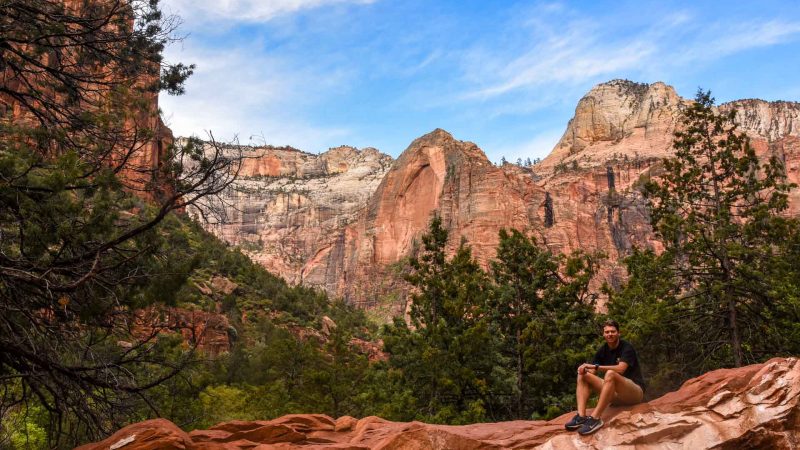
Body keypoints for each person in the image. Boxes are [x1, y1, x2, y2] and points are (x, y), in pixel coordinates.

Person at [564, 319, 646, 435]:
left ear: (618, 333)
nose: (610, 334)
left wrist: (596, 366)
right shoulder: (602, 350)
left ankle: (595, 419)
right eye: (607, 332)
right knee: (582, 375)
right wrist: (584, 369)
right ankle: (581, 416)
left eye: (613, 331)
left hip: (634, 393)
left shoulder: (626, 347)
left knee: (611, 374)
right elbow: (592, 371)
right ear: (603, 334)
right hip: (615, 397)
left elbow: (621, 368)